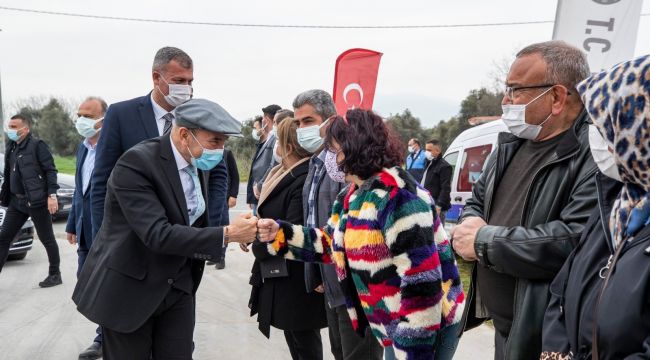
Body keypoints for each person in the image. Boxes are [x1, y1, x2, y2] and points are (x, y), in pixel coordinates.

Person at [257, 109, 465, 360]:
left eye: (334, 150)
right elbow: (330, 243)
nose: (329, 158)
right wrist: (280, 234)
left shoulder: (400, 197)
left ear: (356, 147)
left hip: (424, 326)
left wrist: (412, 352)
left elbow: (422, 283)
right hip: (391, 322)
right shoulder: (351, 196)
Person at [72, 99, 258, 359]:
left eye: (224, 142)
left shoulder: (197, 161)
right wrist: (227, 234)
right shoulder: (136, 164)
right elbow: (157, 234)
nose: (220, 150)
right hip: (131, 288)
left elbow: (196, 219)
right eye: (215, 141)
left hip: (178, 284)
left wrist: (241, 231)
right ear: (184, 134)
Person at [450, 40, 599, 359]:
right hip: (506, 328)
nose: (506, 100)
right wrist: (469, 223)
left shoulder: (593, 154)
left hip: (548, 336)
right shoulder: (510, 145)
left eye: (515, 90)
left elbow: (573, 238)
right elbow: (477, 201)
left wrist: (483, 242)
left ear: (557, 97)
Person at [541, 54, 650, 359]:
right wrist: (556, 353)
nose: (597, 138)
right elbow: (560, 292)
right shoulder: (619, 203)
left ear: (639, 131)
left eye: (607, 125)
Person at [90, 46, 228, 241]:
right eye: (179, 81)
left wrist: (210, 229)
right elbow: (101, 181)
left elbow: (218, 175)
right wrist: (102, 239)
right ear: (156, 77)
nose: (187, 88)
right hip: (136, 238)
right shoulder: (122, 115)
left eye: (190, 81)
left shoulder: (201, 116)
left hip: (189, 241)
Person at [292, 89, 383, 360]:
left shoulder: (344, 167)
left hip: (355, 286)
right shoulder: (317, 164)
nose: (301, 129)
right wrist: (317, 275)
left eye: (307, 121)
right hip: (332, 282)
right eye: (297, 123)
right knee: (340, 352)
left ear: (329, 120)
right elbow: (318, 222)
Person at [248, 116, 328, 359]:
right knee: (295, 339)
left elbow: (294, 228)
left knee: (303, 341)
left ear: (289, 147)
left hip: (294, 274)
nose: (275, 146)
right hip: (281, 272)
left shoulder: (302, 178)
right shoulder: (281, 173)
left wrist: (259, 242)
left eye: (278, 141)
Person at [65, 96, 107, 360]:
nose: (82, 120)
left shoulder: (112, 148)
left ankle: (104, 338)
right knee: (87, 284)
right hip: (84, 231)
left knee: (106, 286)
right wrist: (72, 223)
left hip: (107, 232)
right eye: (79, 115)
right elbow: (81, 192)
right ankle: (106, 333)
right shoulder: (82, 148)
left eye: (88, 116)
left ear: (104, 118)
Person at [0, 114, 61, 287]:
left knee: (46, 238)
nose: (10, 130)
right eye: (9, 126)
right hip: (16, 202)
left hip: (36, 201)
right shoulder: (11, 146)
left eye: (14, 127)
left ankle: (55, 274)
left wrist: (52, 195)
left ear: (25, 129)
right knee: (3, 238)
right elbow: (9, 173)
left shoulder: (37, 145)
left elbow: (50, 170)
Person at [208, 147, 240, 270]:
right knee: (212, 227)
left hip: (224, 197)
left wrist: (233, 195)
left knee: (223, 227)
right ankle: (213, 255)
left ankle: (221, 257)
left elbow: (235, 175)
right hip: (209, 198)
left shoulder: (227, 153)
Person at [247, 105, 280, 215]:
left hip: (264, 189)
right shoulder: (269, 138)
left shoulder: (275, 139)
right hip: (258, 191)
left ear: (266, 119)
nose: (262, 121)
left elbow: (273, 165)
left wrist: (260, 186)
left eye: (263, 118)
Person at [420, 139, 452, 225]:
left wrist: (438, 206)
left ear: (437, 151)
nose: (426, 152)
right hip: (427, 204)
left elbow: (445, 188)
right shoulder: (429, 163)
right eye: (426, 149)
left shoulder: (445, 166)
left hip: (437, 207)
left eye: (429, 150)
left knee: (438, 234)